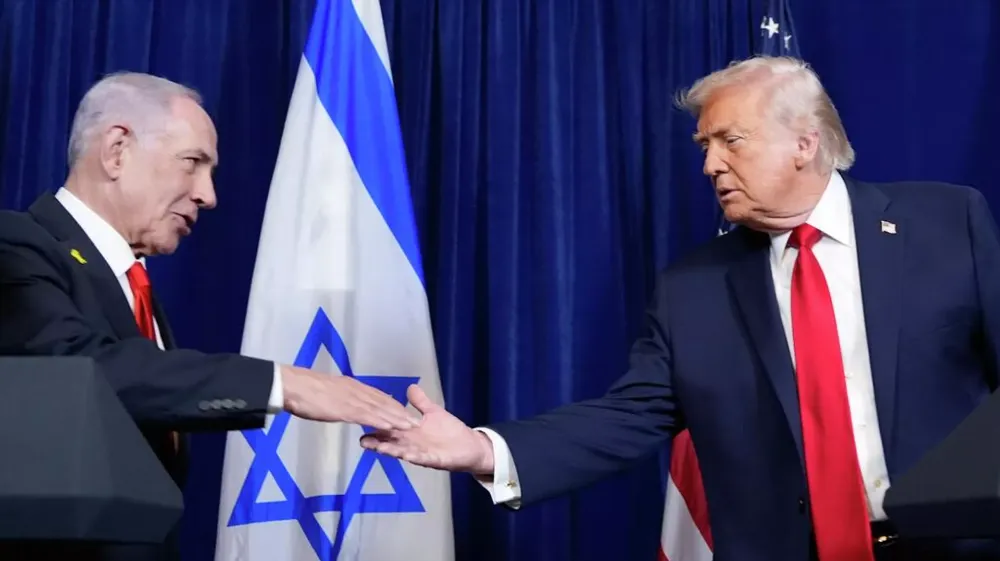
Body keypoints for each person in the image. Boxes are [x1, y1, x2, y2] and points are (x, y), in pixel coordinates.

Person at [361, 56, 1000, 560]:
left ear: (804, 143)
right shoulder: (693, 289)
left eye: (730, 141)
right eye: (704, 145)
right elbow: (627, 416)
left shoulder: (946, 222)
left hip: (956, 546)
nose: (710, 165)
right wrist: (482, 450)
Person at [0, 72, 417, 560]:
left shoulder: (134, 285)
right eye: (192, 163)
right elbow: (80, 372)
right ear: (116, 151)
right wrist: (284, 384)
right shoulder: (16, 245)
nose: (208, 194)